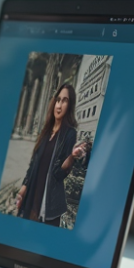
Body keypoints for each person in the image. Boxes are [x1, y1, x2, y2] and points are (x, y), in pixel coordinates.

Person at [14, 83, 88, 227]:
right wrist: (24, 186)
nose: (59, 105)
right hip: (31, 199)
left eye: (64, 101)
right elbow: (33, 163)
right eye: (58, 100)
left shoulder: (69, 133)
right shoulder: (46, 131)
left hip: (48, 205)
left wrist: (72, 156)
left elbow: (60, 173)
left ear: (70, 105)